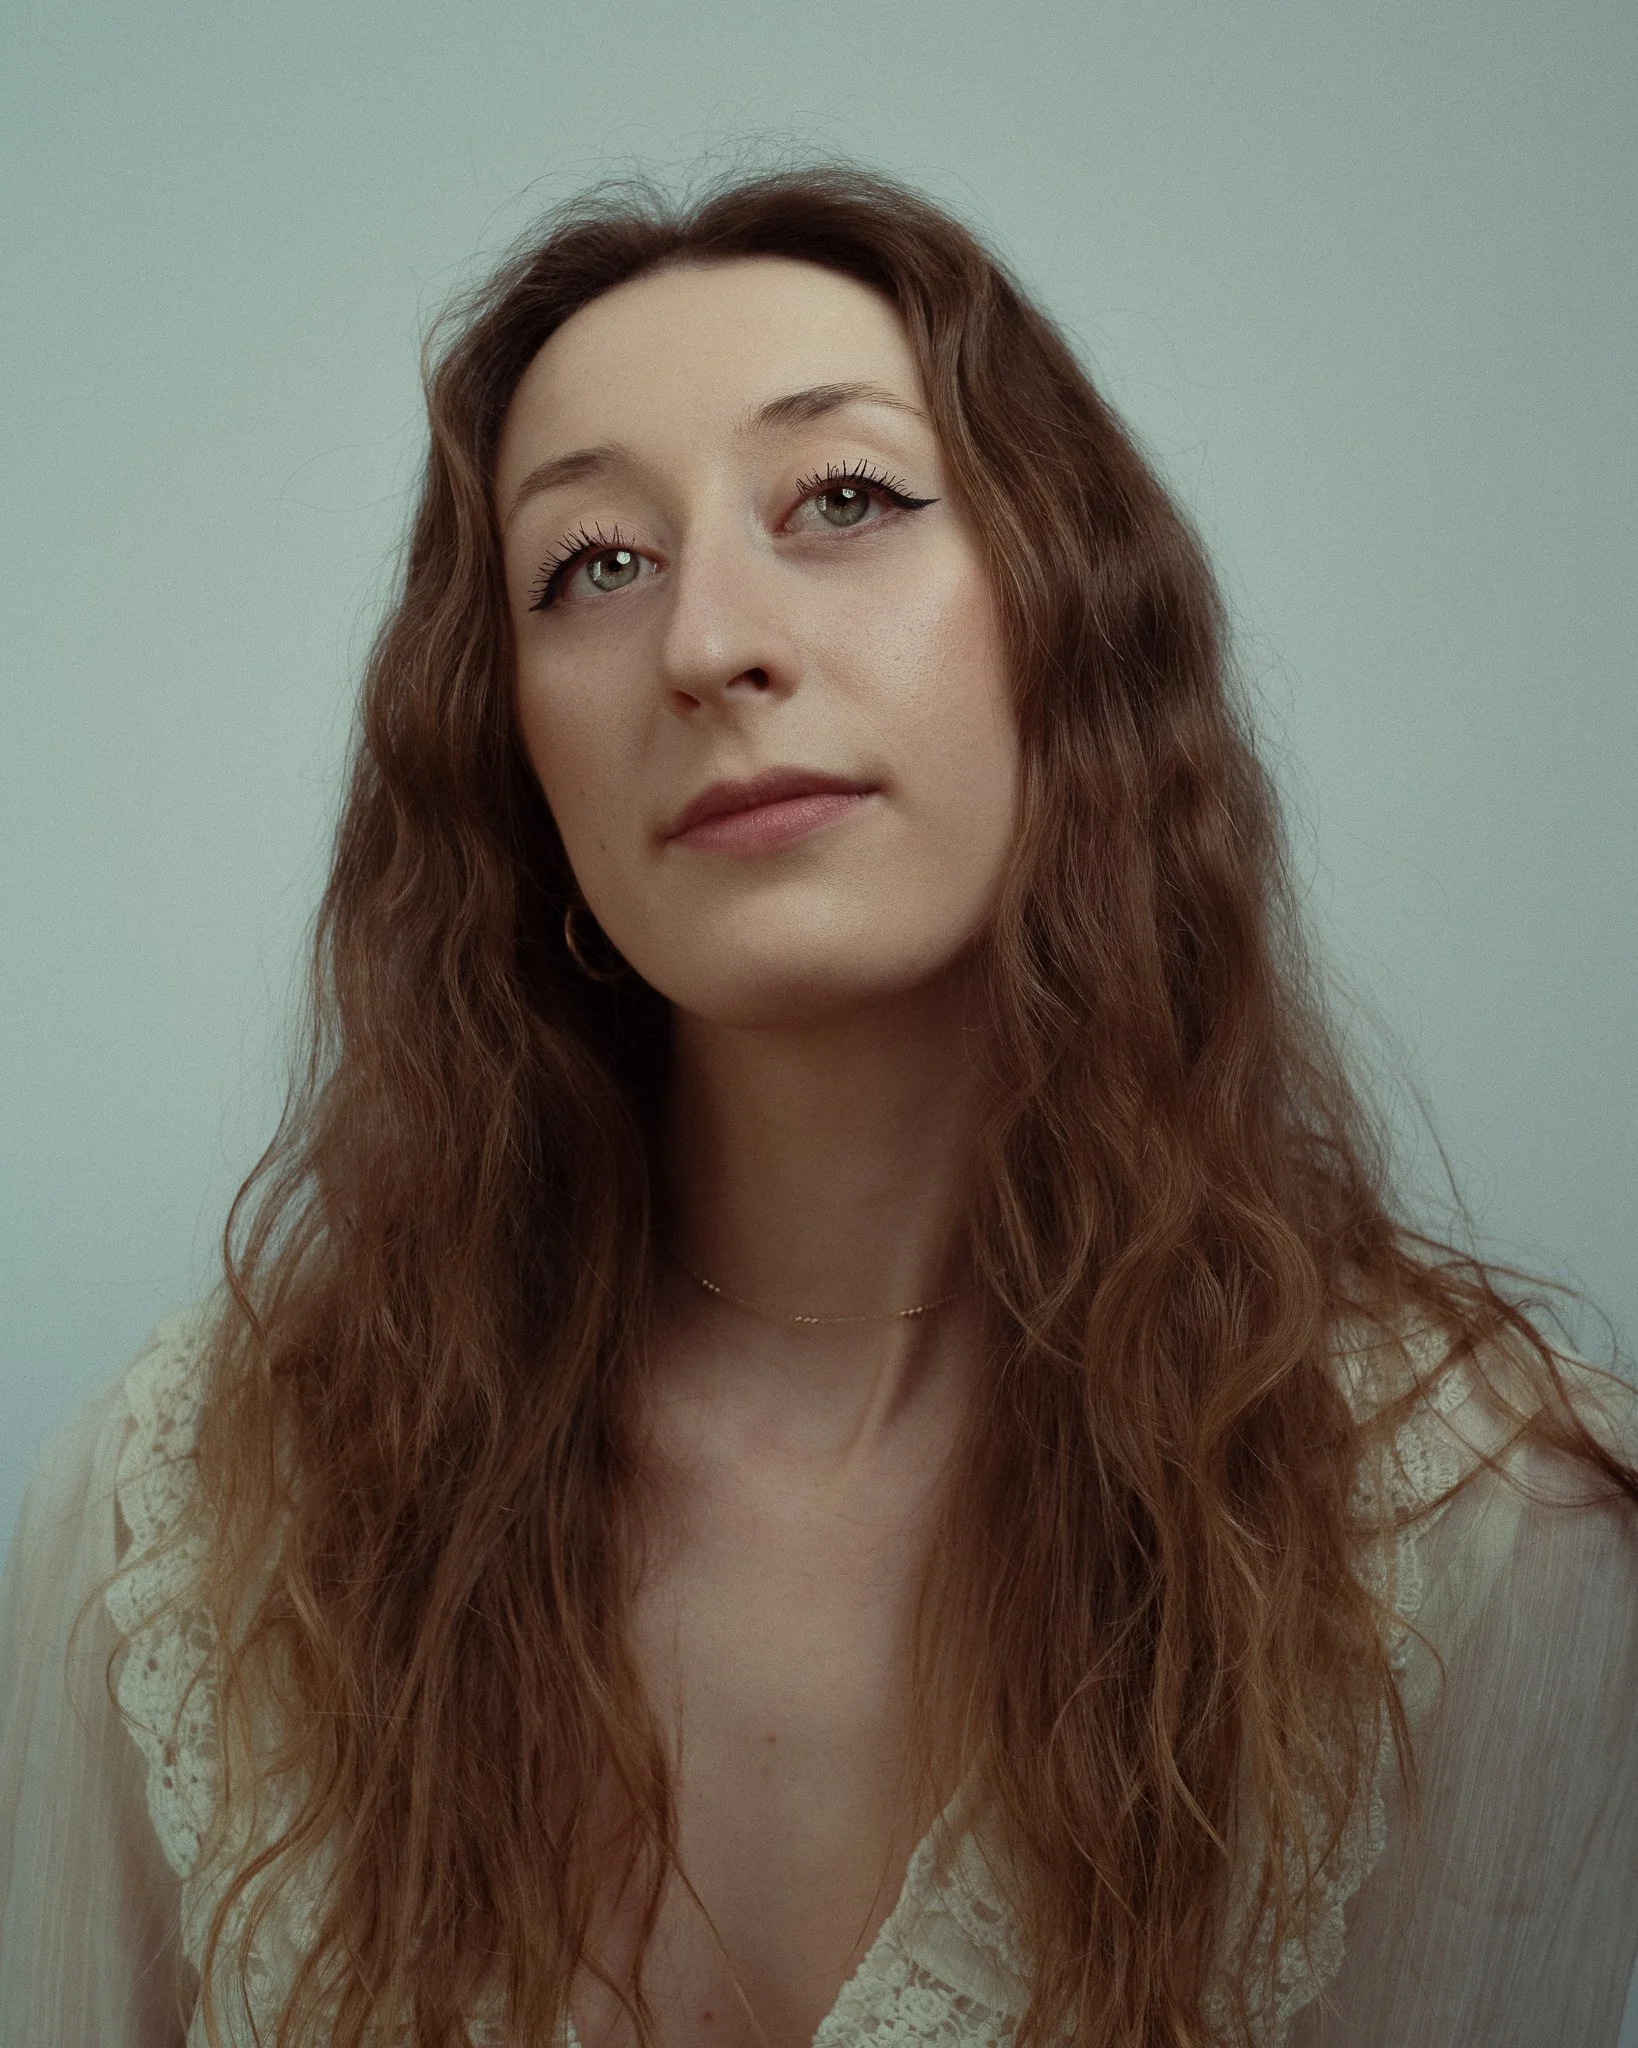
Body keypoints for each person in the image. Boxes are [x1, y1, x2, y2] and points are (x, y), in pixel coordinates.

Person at [1, 164, 1635, 2048]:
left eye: (843, 498)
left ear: (1071, 615)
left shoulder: (1492, 1529)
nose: (709, 645)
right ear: (510, 755)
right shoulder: (180, 1526)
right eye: (593, 565)